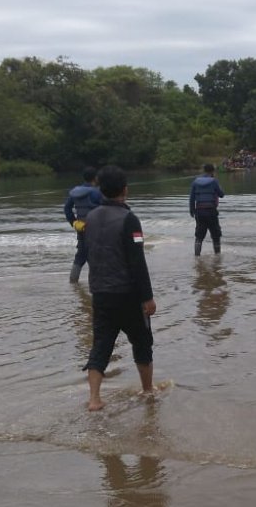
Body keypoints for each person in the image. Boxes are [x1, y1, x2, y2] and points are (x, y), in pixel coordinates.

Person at [82, 165, 156, 411]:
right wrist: (147, 297)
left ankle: (94, 399)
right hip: (128, 294)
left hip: (100, 292)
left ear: (101, 189)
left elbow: (87, 253)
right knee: (142, 341)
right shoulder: (129, 219)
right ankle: (147, 390)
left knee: (101, 343)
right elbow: (137, 260)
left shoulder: (90, 218)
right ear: (125, 189)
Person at [63, 166, 102, 283]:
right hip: (96, 229)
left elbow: (67, 209)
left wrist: (74, 222)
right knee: (96, 257)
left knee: (80, 255)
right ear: (95, 178)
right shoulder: (97, 192)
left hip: (81, 228)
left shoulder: (74, 192)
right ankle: (95, 284)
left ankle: (73, 282)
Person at [190, 163, 225, 256]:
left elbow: (192, 198)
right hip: (211, 211)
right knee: (216, 235)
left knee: (199, 236)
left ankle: (197, 257)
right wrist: (219, 185)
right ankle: (217, 257)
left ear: (204, 170)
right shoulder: (214, 181)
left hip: (199, 212)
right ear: (213, 171)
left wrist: (192, 211)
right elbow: (221, 194)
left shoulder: (195, 182)